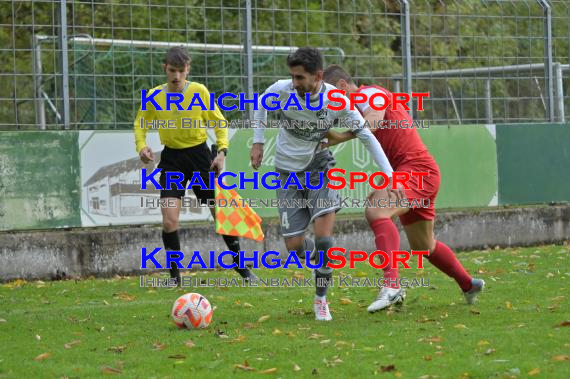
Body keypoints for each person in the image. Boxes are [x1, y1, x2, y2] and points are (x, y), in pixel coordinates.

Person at [322, 64, 484, 312]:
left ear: (343, 86)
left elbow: (373, 124)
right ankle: (468, 284)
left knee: (376, 210)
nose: (328, 101)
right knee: (424, 246)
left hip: (418, 171)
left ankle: (392, 286)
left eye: (330, 94)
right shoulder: (354, 107)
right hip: (415, 172)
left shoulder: (369, 94)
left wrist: (339, 137)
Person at [250, 47, 397, 321]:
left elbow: (366, 136)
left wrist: (389, 175)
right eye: (292, 77)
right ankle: (322, 263)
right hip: (286, 172)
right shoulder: (281, 90)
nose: (294, 83)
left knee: (324, 240)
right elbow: (261, 104)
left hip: (319, 167)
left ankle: (321, 300)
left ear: (318, 76)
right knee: (294, 246)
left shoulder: (337, 101)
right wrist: (258, 142)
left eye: (300, 78)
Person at [134, 46, 257, 285]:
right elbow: (140, 123)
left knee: (219, 213)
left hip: (200, 158)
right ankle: (175, 278)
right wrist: (142, 145)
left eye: (181, 71)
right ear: (165, 69)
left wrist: (221, 152)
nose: (176, 76)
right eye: (172, 70)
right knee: (169, 220)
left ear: (188, 69)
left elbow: (220, 123)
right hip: (172, 161)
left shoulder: (199, 91)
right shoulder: (154, 96)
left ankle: (242, 268)